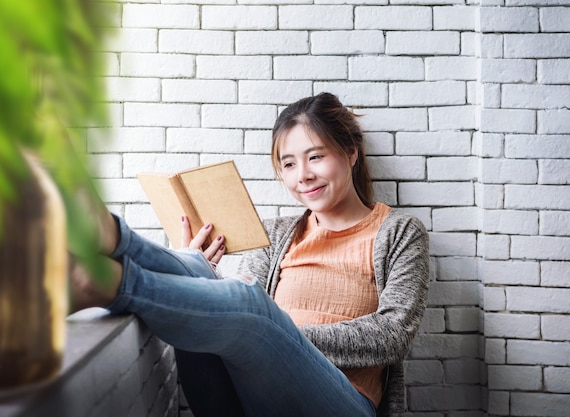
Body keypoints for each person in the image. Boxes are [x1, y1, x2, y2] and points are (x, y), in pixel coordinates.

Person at [70, 92, 430, 417]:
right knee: (199, 272)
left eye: (315, 157)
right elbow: (241, 310)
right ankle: (110, 246)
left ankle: (114, 268)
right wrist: (198, 269)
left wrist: (282, 330)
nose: (303, 175)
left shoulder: (398, 231)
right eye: (288, 164)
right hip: (251, 397)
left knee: (248, 300)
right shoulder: (276, 235)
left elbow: (393, 335)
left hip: (345, 401)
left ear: (351, 151)